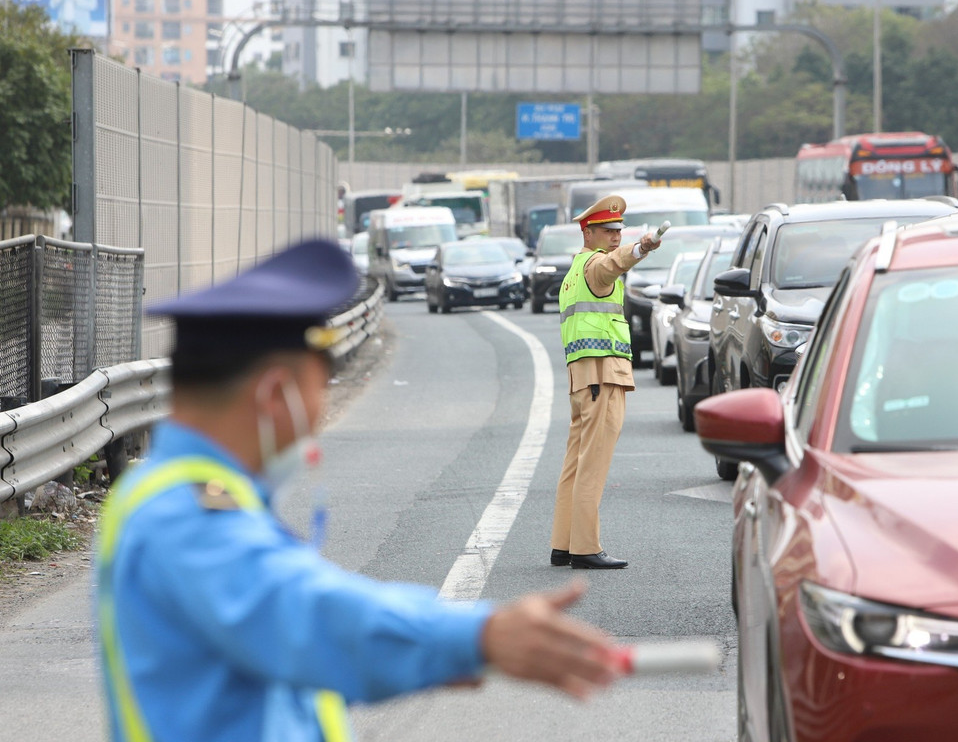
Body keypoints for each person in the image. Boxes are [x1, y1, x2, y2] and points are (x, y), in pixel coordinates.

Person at [95, 239, 621, 741]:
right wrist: (475, 637)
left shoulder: (184, 496)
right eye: (319, 386)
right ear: (276, 393)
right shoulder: (183, 515)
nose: (319, 412)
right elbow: (308, 616)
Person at [550, 195, 662, 570]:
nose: (616, 236)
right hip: (601, 374)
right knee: (593, 462)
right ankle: (585, 547)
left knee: (575, 462)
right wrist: (641, 246)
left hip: (582, 378)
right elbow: (615, 263)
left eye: (619, 231)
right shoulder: (596, 265)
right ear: (589, 232)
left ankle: (563, 543)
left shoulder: (573, 271)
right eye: (608, 231)